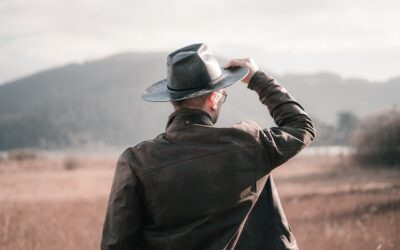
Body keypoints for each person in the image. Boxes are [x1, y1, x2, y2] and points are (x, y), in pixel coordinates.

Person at [100, 43, 315, 250]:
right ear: (213, 99)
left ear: (174, 101)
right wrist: (258, 78)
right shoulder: (250, 142)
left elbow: (115, 245)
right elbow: (301, 126)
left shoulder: (136, 162)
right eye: (223, 95)